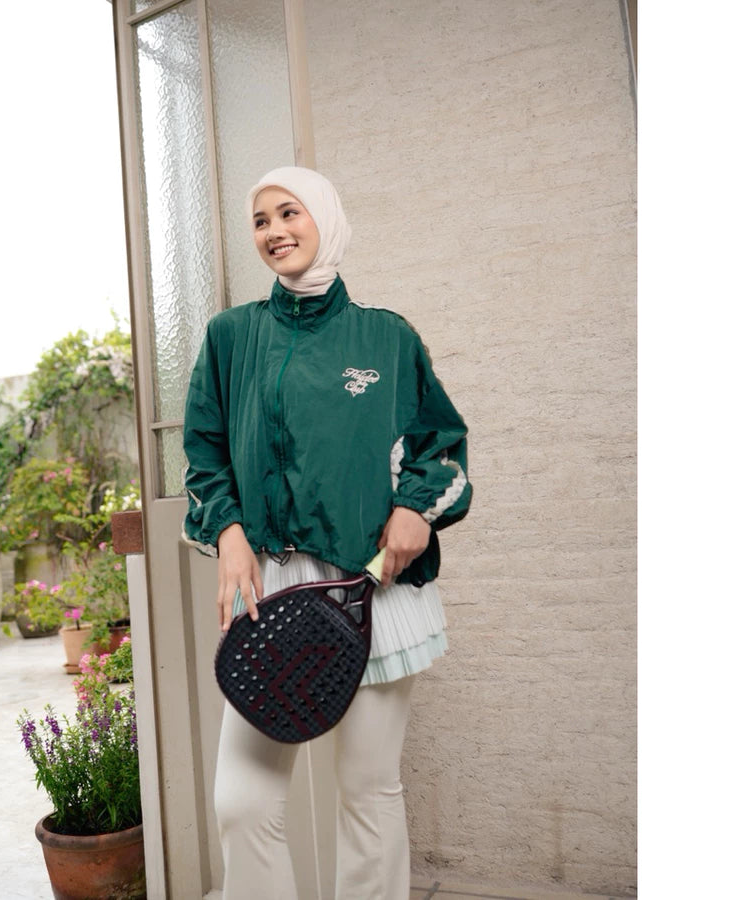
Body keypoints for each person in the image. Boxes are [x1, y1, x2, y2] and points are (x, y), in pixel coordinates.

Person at [182, 166, 472, 900]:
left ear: (326, 220)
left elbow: (441, 445)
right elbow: (204, 452)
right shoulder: (229, 338)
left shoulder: (387, 337)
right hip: (270, 600)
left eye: (290, 213)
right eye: (260, 220)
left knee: (367, 797)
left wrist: (415, 506)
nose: (275, 231)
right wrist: (230, 534)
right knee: (241, 804)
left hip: (368, 593)